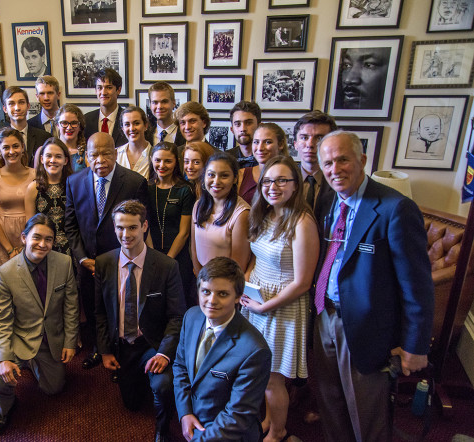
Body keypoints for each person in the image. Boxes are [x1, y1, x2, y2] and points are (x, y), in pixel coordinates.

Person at [314, 131, 434, 442]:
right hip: (324, 314)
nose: (334, 169)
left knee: (367, 414)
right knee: (331, 402)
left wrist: (415, 345)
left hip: (367, 327)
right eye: (327, 162)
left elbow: (417, 285)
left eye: (343, 160)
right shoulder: (328, 198)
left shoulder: (396, 208)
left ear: (362, 160)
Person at [240, 156, 319, 442]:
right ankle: (267, 420)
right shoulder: (265, 214)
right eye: (268, 181)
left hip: (282, 304)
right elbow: (256, 259)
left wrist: (265, 306)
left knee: (273, 378)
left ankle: (278, 433)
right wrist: (247, 287)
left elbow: (303, 282)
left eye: (282, 180)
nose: (273, 186)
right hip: (258, 299)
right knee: (261, 372)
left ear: (296, 185)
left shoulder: (302, 221)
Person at [95, 200, 185, 442]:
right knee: (132, 405)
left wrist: (164, 353)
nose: (126, 235)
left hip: (152, 343)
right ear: (114, 228)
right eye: (120, 228)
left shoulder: (166, 266)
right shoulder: (104, 263)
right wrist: (104, 351)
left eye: (132, 227)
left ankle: (163, 430)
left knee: (163, 386)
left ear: (144, 226)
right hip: (123, 346)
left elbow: (177, 316)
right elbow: (101, 312)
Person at [65, 132, 150, 370]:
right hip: (88, 262)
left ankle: (120, 351)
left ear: (115, 154)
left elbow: (142, 225)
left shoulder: (134, 182)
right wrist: (82, 258)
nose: (100, 159)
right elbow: (71, 225)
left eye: (106, 153)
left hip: (121, 260)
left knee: (120, 307)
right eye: (94, 154)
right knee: (92, 308)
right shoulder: (74, 181)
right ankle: (98, 349)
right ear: (86, 157)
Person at [0, 214, 79, 435]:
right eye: (36, 237)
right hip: (20, 338)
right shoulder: (6, 273)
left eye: (48, 239)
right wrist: (3, 359)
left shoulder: (64, 263)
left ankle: (34, 364)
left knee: (54, 389)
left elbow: (71, 307)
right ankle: (6, 409)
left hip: (50, 339)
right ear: (23, 238)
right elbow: (0, 321)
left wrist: (70, 341)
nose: (42, 244)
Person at [173, 256, 271, 442]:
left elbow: (236, 417)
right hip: (194, 421)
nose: (212, 301)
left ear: (238, 297)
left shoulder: (255, 350)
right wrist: (185, 412)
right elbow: (180, 366)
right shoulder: (191, 317)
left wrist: (199, 440)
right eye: (206, 292)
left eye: (222, 294)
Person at [147, 142, 196, 307]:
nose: (162, 165)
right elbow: (144, 225)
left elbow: (184, 233)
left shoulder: (185, 190)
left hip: (177, 257)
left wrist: (167, 261)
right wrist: (153, 257)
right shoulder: (145, 187)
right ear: (151, 160)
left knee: (178, 304)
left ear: (176, 162)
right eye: (158, 160)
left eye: (168, 161)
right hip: (151, 255)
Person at [191, 152, 251, 274]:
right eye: (211, 175)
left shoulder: (241, 214)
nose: (216, 181)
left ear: (234, 179)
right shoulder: (198, 205)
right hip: (202, 279)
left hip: (226, 282)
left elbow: (238, 265)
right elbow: (194, 248)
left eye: (224, 176)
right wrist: (200, 277)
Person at [0, 128, 36, 267]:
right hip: (4, 237)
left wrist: (26, 242)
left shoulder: (35, 175)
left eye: (15, 146)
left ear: (22, 147)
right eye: (6, 147)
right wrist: (9, 249)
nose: (11, 151)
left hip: (30, 232)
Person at [24, 138, 74, 255]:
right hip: (43, 248)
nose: (53, 160)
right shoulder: (33, 188)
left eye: (58, 156)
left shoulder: (73, 185)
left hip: (71, 247)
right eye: (48, 156)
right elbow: (30, 226)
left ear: (65, 160)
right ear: (42, 159)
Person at [294, 111, 338, 224]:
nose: (310, 144)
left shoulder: (339, 181)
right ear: (295, 143)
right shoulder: (285, 178)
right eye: (304, 137)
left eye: (319, 138)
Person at [238, 123, 290, 205]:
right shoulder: (241, 174)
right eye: (256, 142)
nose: (260, 148)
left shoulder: (291, 176)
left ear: (280, 144)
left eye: (267, 142)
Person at [1, 86, 50, 165]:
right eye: (11, 103)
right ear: (5, 109)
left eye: (21, 102)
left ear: (28, 106)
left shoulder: (44, 137)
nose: (17, 108)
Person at [83, 68, 126, 147]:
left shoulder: (127, 119)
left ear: (118, 90)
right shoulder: (86, 120)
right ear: (96, 90)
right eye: (99, 87)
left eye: (109, 87)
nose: (103, 92)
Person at [117, 106, 152, 179]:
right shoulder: (115, 154)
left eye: (136, 123)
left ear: (145, 125)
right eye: (127, 124)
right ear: (122, 128)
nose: (132, 128)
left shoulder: (155, 155)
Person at [145, 82, 184, 147]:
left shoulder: (185, 133)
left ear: (173, 103)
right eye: (155, 102)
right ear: (150, 105)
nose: (159, 106)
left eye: (164, 101)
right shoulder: (145, 135)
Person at [226, 101, 261, 169]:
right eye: (238, 124)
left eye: (248, 123)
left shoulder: (269, 158)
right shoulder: (225, 159)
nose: (243, 129)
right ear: (232, 130)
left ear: (259, 127)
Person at [55, 103, 87, 173]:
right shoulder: (48, 151)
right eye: (64, 123)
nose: (69, 127)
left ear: (80, 126)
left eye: (74, 123)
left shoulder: (88, 153)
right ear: (57, 125)